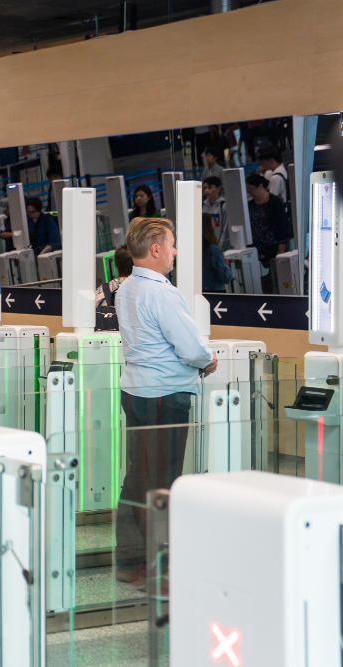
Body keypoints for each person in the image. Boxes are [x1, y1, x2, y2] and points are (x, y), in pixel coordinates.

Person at [113, 217, 217, 587]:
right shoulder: (162, 292)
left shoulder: (125, 289)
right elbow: (189, 347)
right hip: (164, 395)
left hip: (136, 392)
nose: (174, 252)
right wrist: (208, 360)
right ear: (155, 250)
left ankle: (130, 561)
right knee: (163, 478)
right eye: (171, 245)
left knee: (138, 474)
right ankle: (159, 567)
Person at [245, 172, 292, 280]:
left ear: (260, 186)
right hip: (258, 249)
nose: (250, 192)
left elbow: (282, 225)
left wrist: (281, 246)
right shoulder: (250, 205)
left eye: (251, 189)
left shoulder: (275, 202)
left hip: (274, 246)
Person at [202, 213, 232, 292]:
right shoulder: (213, 250)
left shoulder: (194, 249)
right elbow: (226, 277)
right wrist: (226, 265)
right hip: (215, 291)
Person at [202, 176, 228, 248]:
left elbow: (225, 231)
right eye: (205, 188)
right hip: (205, 247)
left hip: (219, 246)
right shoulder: (202, 207)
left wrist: (220, 247)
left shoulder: (223, 206)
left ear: (218, 188)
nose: (206, 191)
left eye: (210, 187)